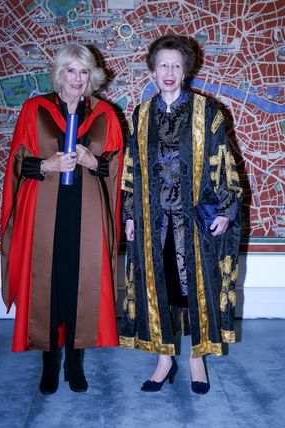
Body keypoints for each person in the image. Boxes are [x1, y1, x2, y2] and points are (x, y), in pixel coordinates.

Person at [120, 35, 242, 394]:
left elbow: (224, 163)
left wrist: (225, 208)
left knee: (195, 291)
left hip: (194, 222)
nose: (169, 72)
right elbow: (132, 170)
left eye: (176, 65)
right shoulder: (141, 116)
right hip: (153, 221)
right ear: (153, 71)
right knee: (162, 288)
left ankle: (195, 360)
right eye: (163, 65)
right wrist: (129, 214)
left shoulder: (208, 113)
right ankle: (164, 361)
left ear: (186, 70)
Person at [1, 44, 123, 395]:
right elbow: (16, 164)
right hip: (44, 214)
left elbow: (115, 168)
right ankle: (50, 364)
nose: (77, 79)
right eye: (71, 71)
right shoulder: (34, 110)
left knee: (79, 286)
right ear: (59, 73)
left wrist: (90, 163)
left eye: (84, 72)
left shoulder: (104, 115)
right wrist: (46, 166)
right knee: (49, 288)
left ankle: (75, 363)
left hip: (86, 215)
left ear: (92, 77)